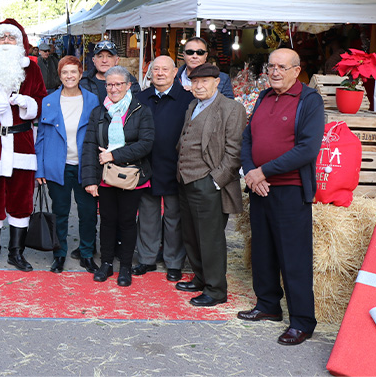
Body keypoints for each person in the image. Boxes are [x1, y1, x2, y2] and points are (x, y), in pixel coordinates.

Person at [238, 48, 324, 346]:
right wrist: (251, 171)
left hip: (290, 189)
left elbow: (307, 149)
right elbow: (248, 137)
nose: (273, 72)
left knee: (294, 257)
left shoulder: (309, 100)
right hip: (260, 186)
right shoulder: (263, 97)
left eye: (281, 67)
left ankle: (302, 321)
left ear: (296, 70)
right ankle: (268, 305)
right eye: (270, 66)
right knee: (263, 250)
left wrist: (263, 171)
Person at [0, 19, 47, 273]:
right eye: (2, 37)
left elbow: (41, 101)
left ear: (20, 42)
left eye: (11, 38)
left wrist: (26, 102)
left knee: (21, 198)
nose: (6, 42)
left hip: (21, 144)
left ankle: (17, 252)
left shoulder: (33, 70)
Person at [174, 63, 246, 306]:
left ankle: (216, 290)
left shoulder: (231, 108)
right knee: (192, 236)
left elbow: (234, 153)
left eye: (205, 81)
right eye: (195, 81)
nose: (199, 85)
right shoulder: (192, 105)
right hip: (186, 180)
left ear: (217, 82)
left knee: (210, 239)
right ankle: (201, 278)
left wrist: (215, 181)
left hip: (208, 183)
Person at [82, 66, 154, 287]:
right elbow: (90, 146)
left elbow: (146, 144)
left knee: (127, 222)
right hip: (105, 177)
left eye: (118, 84)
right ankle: (106, 264)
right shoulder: (99, 112)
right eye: (109, 84)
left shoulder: (141, 110)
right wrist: (90, 180)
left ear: (128, 85)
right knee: (107, 221)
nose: (113, 89)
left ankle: (125, 266)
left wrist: (114, 155)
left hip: (131, 175)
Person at [35, 55, 100, 273]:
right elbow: (41, 137)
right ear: (59, 75)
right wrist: (40, 169)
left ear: (81, 74)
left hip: (86, 167)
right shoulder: (49, 101)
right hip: (58, 166)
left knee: (88, 214)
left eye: (73, 71)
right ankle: (59, 254)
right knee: (60, 213)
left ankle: (87, 253)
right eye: (65, 72)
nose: (69, 76)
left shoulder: (92, 100)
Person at [132, 55, 193, 282]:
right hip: (146, 165)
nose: (159, 73)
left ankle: (174, 262)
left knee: (174, 217)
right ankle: (146, 258)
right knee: (147, 215)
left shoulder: (187, 98)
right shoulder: (140, 97)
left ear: (175, 72)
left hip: (176, 166)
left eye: (164, 69)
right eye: (155, 69)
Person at [80, 40, 140, 106]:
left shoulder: (130, 82)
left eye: (109, 56)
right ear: (94, 60)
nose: (104, 61)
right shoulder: (83, 80)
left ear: (117, 60)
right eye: (100, 56)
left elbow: (137, 108)